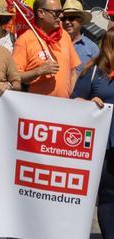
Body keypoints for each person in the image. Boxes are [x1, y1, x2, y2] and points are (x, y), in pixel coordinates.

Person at [71, 28, 114, 238]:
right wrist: (89, 103)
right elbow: (74, 101)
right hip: (105, 144)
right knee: (108, 196)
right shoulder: (93, 71)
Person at [12, 0, 81, 98]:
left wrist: (70, 95)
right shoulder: (24, 40)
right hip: (37, 107)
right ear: (41, 13)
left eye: (61, 12)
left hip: (63, 107)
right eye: (56, 13)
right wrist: (38, 71)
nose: (61, 16)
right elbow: (14, 76)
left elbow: (73, 71)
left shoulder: (64, 36)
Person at [62, 0, 99, 74]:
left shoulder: (92, 48)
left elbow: (98, 77)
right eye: (63, 18)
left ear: (81, 20)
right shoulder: (54, 44)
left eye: (71, 18)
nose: (67, 22)